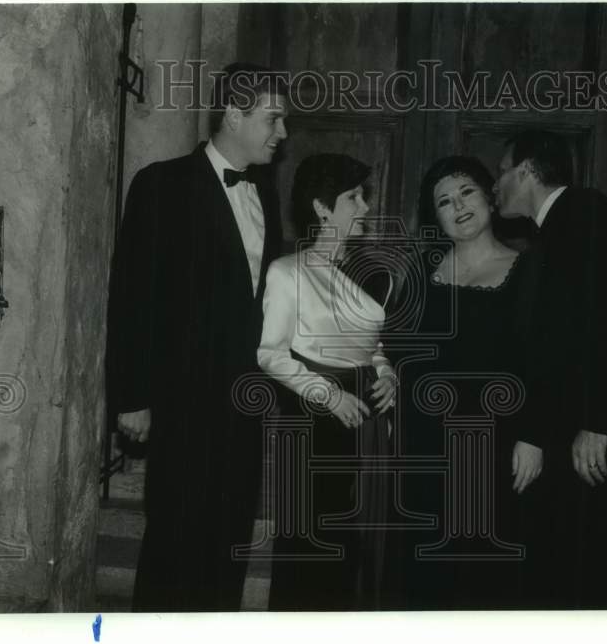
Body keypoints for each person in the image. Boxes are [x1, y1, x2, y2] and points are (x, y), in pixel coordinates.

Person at [105, 63, 289, 611]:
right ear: (233, 114)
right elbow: (132, 296)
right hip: (182, 404)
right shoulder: (162, 184)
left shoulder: (266, 198)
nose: (282, 133)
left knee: (228, 544)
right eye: (273, 118)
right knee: (173, 547)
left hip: (244, 405)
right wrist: (133, 397)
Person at [495, 130, 607, 610]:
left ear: (528, 171)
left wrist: (599, 422)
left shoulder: (584, 214)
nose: (496, 185)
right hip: (597, 434)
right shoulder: (563, 224)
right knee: (601, 575)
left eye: (502, 171)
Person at [393, 156, 542, 610]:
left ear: (489, 198)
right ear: (434, 217)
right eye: (443, 201)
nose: (457, 206)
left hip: (496, 450)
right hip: (423, 448)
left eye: (466, 192)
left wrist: (533, 437)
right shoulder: (421, 271)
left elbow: (543, 363)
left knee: (484, 581)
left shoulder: (530, 271)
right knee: (423, 578)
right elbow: (396, 351)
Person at [257, 153, 396, 611]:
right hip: (315, 420)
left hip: (367, 422)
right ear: (321, 207)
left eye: (362, 196)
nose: (364, 207)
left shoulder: (369, 274)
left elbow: (371, 345)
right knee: (315, 546)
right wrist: (328, 394)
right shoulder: (286, 273)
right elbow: (270, 353)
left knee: (361, 544)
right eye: (353, 197)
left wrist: (387, 373)